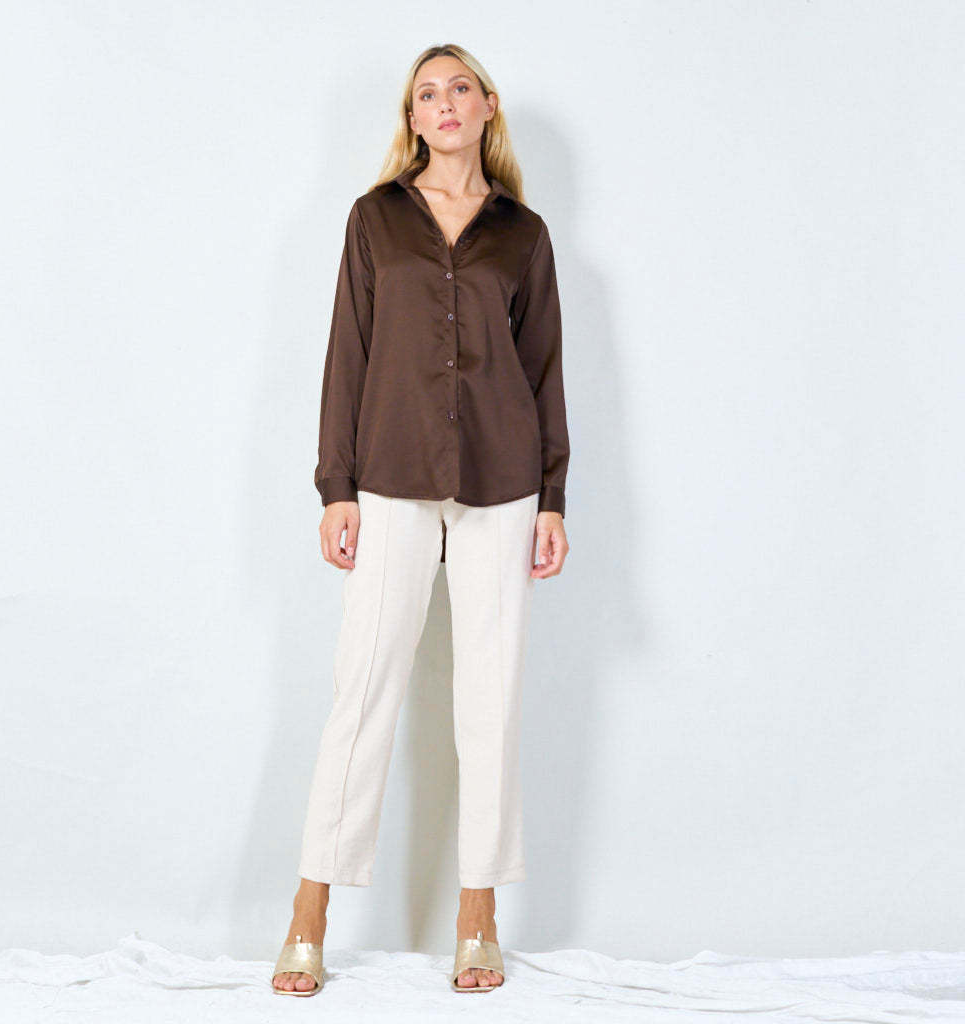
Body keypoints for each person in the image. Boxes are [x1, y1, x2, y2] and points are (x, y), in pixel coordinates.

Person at [272, 42, 570, 996]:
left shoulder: (523, 234)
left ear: (487, 106)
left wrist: (553, 496)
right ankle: (309, 913)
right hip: (392, 477)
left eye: (459, 89)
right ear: (413, 119)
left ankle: (478, 916)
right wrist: (337, 486)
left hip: (503, 481)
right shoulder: (375, 220)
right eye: (426, 94)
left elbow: (544, 370)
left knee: (491, 701)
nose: (444, 104)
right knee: (362, 691)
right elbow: (347, 355)